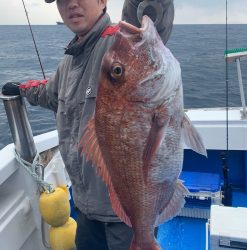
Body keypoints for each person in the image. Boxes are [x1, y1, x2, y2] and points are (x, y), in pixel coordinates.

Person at [2, 0, 174, 249]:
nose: (71, 4)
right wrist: (22, 89)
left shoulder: (120, 44)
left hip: (126, 215)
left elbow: (148, 23)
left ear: (102, 1)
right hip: (85, 206)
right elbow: (50, 94)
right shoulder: (69, 62)